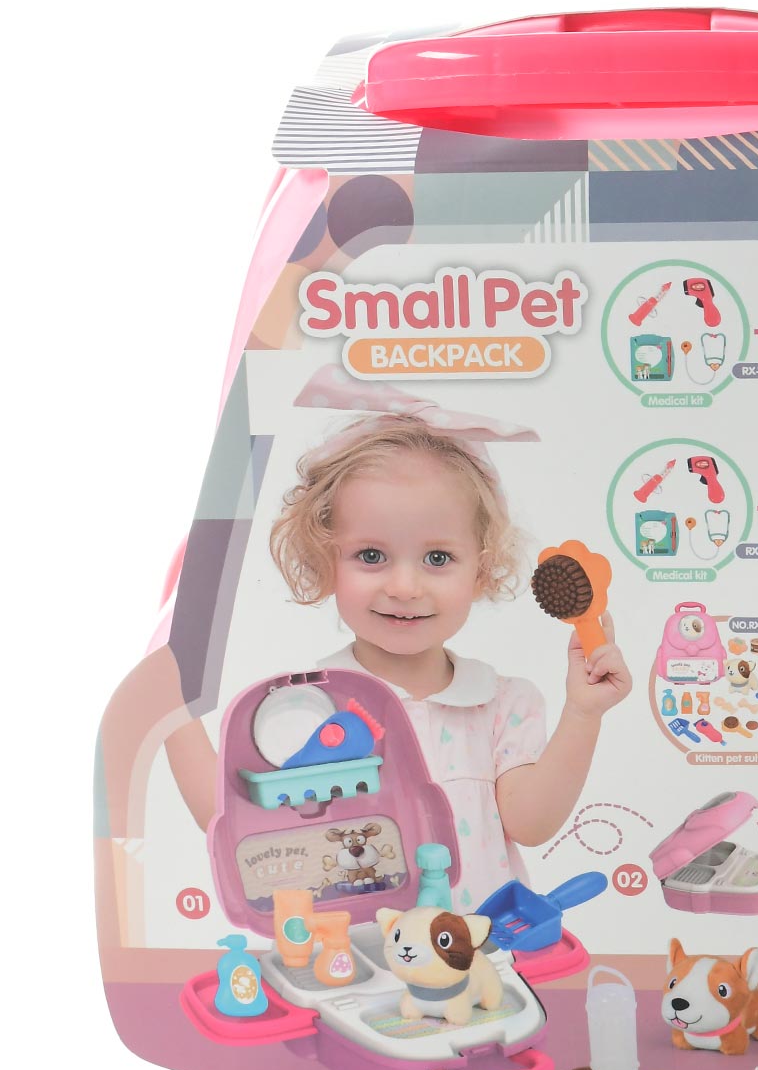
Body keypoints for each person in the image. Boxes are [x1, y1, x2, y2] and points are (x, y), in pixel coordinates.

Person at [167, 366, 632, 908]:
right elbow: (240, 826)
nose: (405, 587)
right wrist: (172, 711)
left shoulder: (502, 704)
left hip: (483, 949)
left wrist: (583, 715)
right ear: (324, 560)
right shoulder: (308, 707)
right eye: (371, 555)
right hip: (353, 953)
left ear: (481, 569)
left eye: (438, 558)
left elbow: (530, 824)